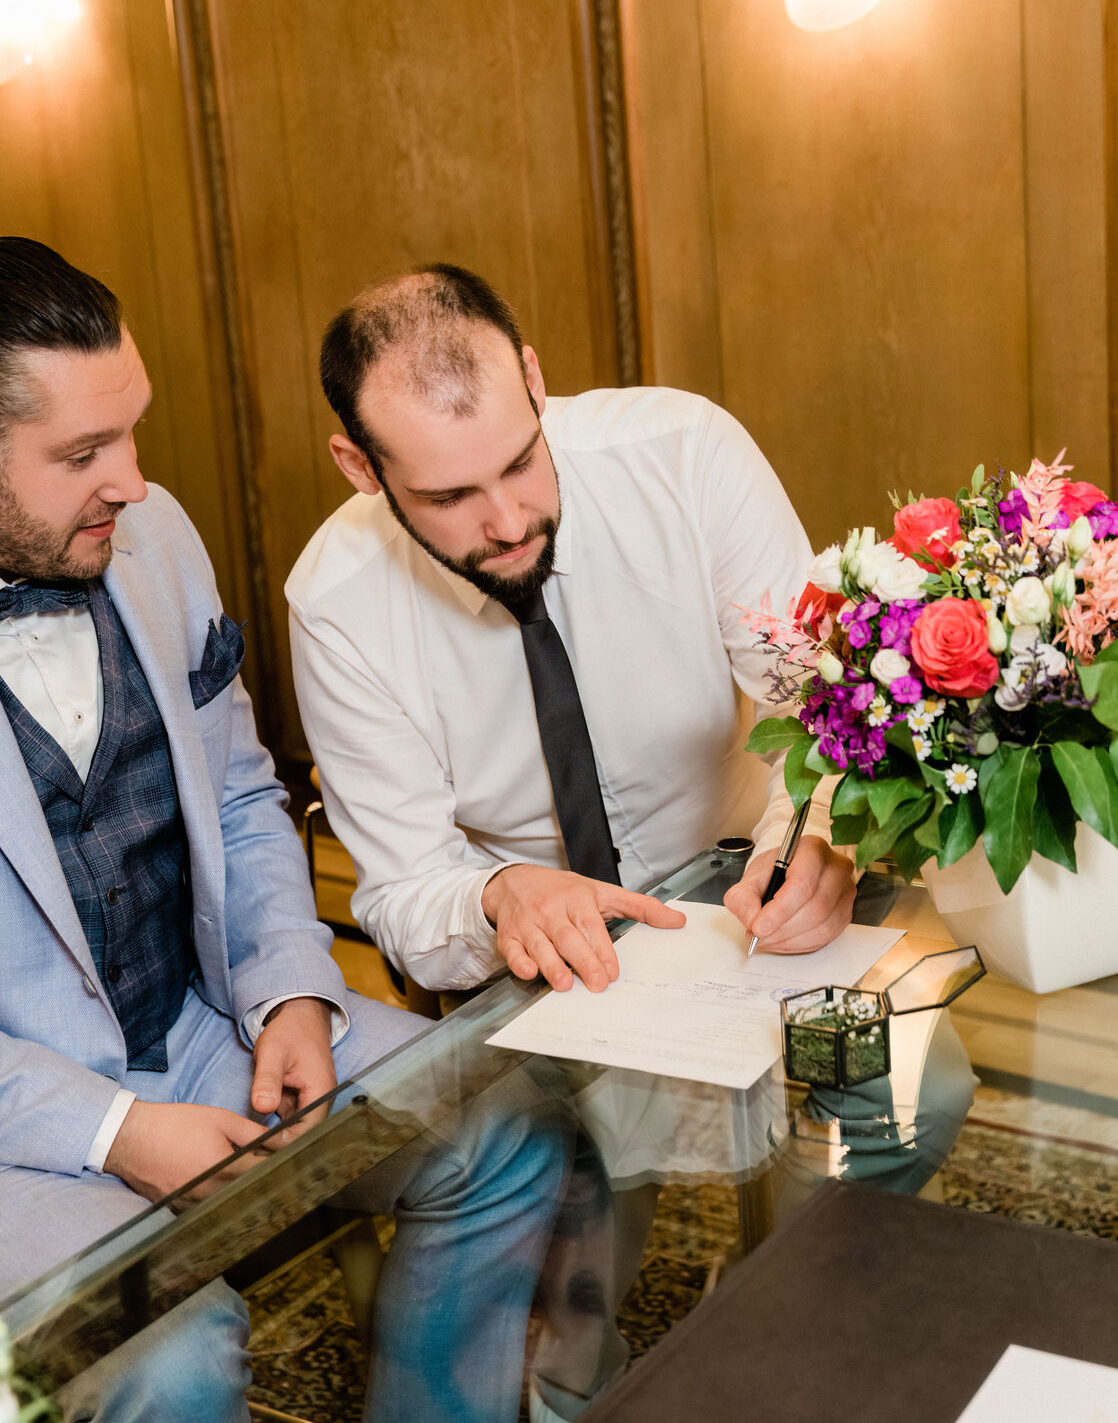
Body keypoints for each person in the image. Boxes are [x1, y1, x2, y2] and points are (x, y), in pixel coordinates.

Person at [0, 239, 569, 1423]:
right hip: (21, 1112)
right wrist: (111, 1130)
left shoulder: (151, 541)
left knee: (504, 1133)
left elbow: (244, 801)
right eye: (82, 454)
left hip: (203, 1022)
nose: (135, 481)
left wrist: (290, 995)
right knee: (168, 1354)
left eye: (132, 431)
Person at [287, 263, 856, 999]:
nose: (510, 522)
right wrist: (496, 894)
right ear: (360, 466)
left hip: (744, 903)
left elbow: (817, 713)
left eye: (521, 461)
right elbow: (404, 891)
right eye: (450, 495)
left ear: (533, 379)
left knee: (930, 1095)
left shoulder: (688, 456)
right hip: (527, 975)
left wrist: (810, 840)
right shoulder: (338, 603)